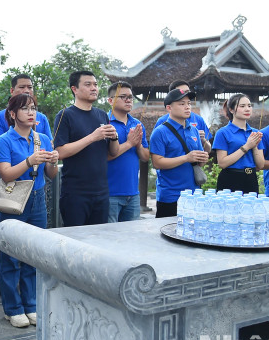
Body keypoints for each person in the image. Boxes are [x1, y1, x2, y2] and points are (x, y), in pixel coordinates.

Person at [0, 93, 59, 328]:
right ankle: (12, 308)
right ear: (12, 114)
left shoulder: (42, 138)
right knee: (10, 256)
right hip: (14, 200)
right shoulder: (4, 140)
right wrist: (30, 161)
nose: (31, 112)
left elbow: (51, 175)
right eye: (25, 109)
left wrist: (53, 160)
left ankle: (31, 304)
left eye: (33, 108)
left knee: (34, 254)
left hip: (38, 198)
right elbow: (6, 174)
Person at [53, 71, 120, 226]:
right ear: (74, 89)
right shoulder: (65, 115)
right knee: (76, 242)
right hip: (75, 193)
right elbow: (60, 152)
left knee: (97, 241)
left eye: (95, 84)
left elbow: (113, 152)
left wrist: (114, 137)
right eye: (88, 84)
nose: (94, 88)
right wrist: (92, 137)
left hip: (102, 192)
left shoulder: (102, 115)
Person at [149, 88, 208, 217]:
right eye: (182, 104)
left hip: (194, 194)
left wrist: (202, 159)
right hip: (171, 195)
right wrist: (186, 158)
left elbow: (198, 163)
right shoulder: (160, 132)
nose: (187, 107)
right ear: (169, 108)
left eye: (189, 103)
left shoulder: (193, 130)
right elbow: (157, 163)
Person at [106, 82, 149, 222]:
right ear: (110, 101)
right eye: (123, 96)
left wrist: (137, 145)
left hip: (133, 194)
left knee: (132, 238)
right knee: (109, 238)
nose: (128, 100)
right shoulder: (105, 123)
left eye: (130, 97)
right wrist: (129, 143)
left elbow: (145, 157)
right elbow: (103, 157)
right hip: (109, 194)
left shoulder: (137, 124)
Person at [213, 93, 265, 194]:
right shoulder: (223, 132)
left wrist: (254, 146)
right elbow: (222, 163)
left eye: (249, 106)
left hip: (251, 178)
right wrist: (246, 146)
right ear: (231, 110)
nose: (247, 109)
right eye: (242, 106)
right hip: (230, 178)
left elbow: (260, 164)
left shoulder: (255, 132)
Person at [0, 74, 52, 142]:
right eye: (22, 87)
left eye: (30, 87)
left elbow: (49, 144)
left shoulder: (42, 118)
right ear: (12, 91)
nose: (27, 91)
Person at [154, 80, 212, 152]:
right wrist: (186, 158)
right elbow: (157, 155)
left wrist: (203, 140)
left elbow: (207, 151)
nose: (185, 95)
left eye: (187, 92)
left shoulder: (199, 119)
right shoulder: (162, 121)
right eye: (181, 92)